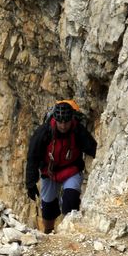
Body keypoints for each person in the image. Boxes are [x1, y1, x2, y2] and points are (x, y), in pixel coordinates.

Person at [24, 100, 97, 233]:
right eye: (60, 122)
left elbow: (93, 148)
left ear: (71, 120)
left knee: (71, 199)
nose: (63, 126)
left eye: (66, 122)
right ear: (55, 120)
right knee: (48, 207)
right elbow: (32, 157)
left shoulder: (77, 130)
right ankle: (49, 232)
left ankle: (67, 231)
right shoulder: (44, 133)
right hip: (49, 171)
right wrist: (30, 183)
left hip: (72, 169)